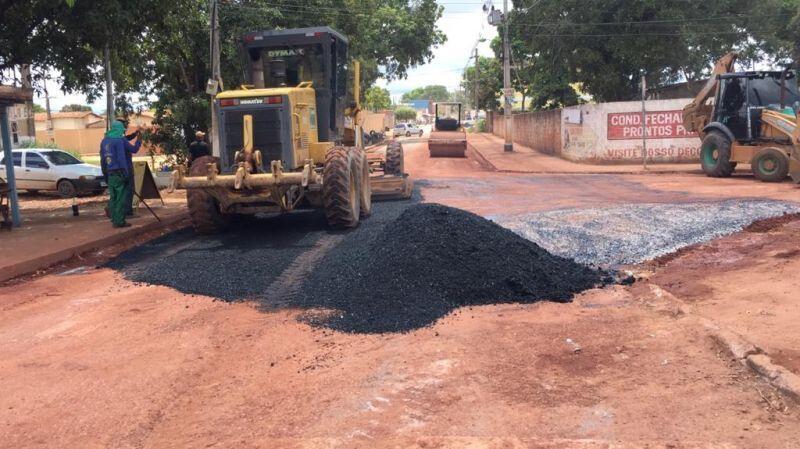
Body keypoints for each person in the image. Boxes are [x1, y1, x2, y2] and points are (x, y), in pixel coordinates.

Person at [100, 120, 141, 228]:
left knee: (114, 197)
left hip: (110, 173)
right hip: (120, 172)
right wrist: (139, 140)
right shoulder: (120, 140)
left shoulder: (105, 141)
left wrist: (105, 174)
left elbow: (103, 160)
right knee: (121, 198)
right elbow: (127, 154)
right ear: (119, 130)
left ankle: (114, 218)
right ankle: (119, 221)